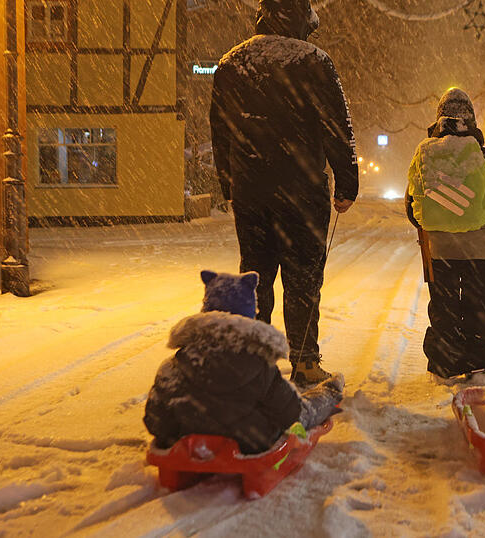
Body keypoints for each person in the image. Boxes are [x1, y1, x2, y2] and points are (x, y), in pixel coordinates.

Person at [209, 0, 357, 386]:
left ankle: (256, 359)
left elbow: (220, 131)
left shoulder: (232, 64)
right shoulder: (315, 62)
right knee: (303, 277)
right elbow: (337, 126)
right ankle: (305, 362)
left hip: (251, 190)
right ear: (304, 21)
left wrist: (229, 183)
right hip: (301, 190)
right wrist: (346, 180)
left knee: (256, 274)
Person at [143, 270, 344, 454]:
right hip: (250, 442)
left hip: (184, 440)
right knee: (301, 411)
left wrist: (180, 430)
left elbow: (154, 419)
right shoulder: (258, 364)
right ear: (249, 314)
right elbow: (292, 413)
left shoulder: (173, 365)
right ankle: (331, 391)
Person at [405, 88, 485, 385]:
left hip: (439, 250)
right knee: (478, 307)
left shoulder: (425, 154)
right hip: (478, 249)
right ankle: (478, 368)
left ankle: (443, 368)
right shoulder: (484, 157)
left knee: (443, 308)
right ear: (472, 121)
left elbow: (411, 206)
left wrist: (436, 225)